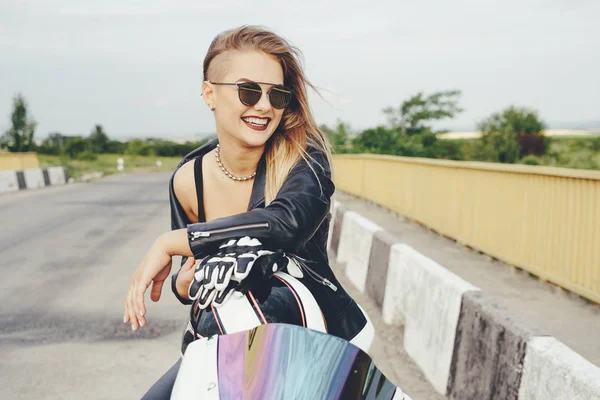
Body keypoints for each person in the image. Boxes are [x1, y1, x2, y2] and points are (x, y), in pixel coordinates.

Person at [124, 25, 373, 398]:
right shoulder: (189, 179)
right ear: (210, 93)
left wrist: (178, 239)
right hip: (227, 341)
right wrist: (184, 283)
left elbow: (287, 223)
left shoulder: (302, 159)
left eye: (277, 95)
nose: (263, 106)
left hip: (318, 338)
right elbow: (187, 281)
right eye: (248, 90)